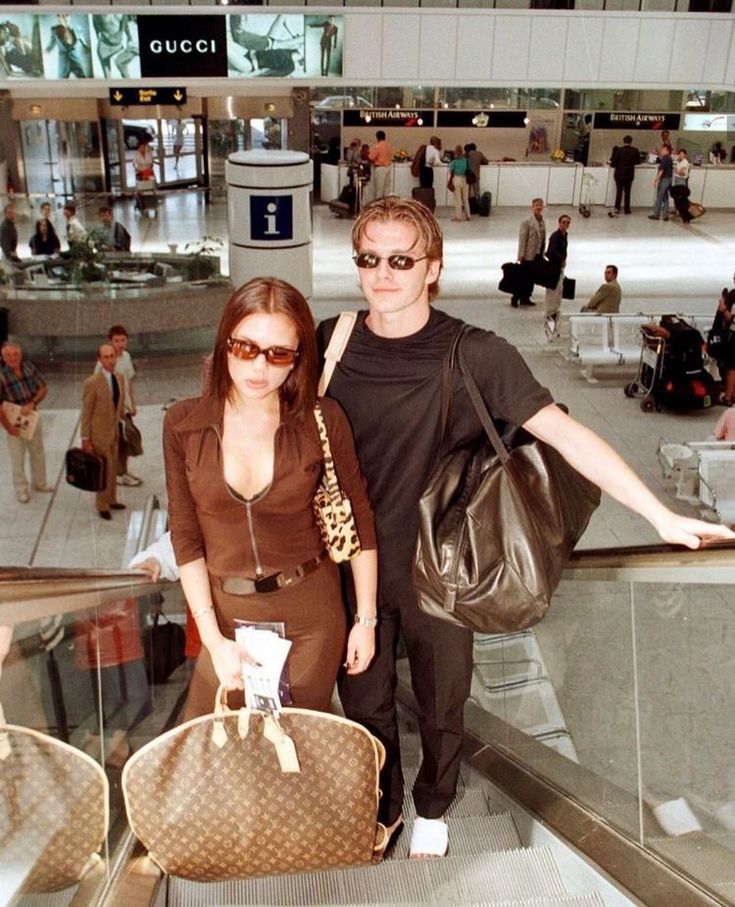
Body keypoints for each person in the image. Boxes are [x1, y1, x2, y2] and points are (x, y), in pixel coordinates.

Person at [316, 195, 734, 860]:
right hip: (352, 575)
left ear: (433, 267)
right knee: (363, 703)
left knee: (441, 703)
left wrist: (657, 512)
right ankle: (384, 803)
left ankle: (433, 804)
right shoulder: (331, 341)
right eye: (369, 258)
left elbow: (566, 434)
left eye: (401, 258)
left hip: (443, 569)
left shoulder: (473, 352)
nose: (382, 273)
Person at [163, 277, 378, 721]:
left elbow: (358, 523)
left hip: (310, 619)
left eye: (278, 353)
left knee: (290, 759)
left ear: (298, 360)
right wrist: (212, 638)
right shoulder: (184, 424)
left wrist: (366, 620)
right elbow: (185, 536)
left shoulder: (321, 421)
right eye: (245, 347)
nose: (259, 367)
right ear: (225, 342)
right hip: (225, 618)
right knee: (214, 753)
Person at [0, 341, 53, 504]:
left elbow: (43, 388)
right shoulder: (1, 376)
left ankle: (40, 483)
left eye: (15, 354)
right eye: (8, 355)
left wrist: (32, 403)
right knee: (17, 456)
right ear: (3, 357)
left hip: (32, 416)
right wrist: (8, 428)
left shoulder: (29, 367)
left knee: (38, 451)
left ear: (20, 354)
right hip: (13, 421)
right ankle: (21, 489)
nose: (13, 358)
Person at [81, 342, 126, 520]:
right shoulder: (92, 383)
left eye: (112, 356)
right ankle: (102, 505)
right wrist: (85, 438)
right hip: (98, 434)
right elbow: (86, 413)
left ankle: (112, 498)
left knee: (113, 468)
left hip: (114, 432)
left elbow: (117, 403)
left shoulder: (120, 377)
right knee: (103, 470)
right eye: (105, 357)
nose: (110, 360)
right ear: (99, 360)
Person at [95, 324, 141, 487]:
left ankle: (123, 471)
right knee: (117, 442)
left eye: (123, 340)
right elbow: (98, 387)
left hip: (125, 408)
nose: (120, 343)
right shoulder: (104, 361)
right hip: (112, 410)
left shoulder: (127, 357)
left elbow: (128, 382)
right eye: (116, 340)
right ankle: (117, 474)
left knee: (126, 441)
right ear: (110, 341)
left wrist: (132, 404)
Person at [512, 197, 546, 308]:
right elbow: (523, 239)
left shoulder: (543, 221)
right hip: (528, 255)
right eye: (537, 205)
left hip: (537, 255)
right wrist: (521, 255)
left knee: (531, 278)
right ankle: (515, 297)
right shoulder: (527, 221)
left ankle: (526, 297)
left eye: (541, 205)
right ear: (533, 207)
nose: (539, 207)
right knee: (522, 277)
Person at [544, 214, 571, 338]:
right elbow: (549, 252)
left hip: (559, 269)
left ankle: (554, 321)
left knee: (558, 295)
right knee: (552, 297)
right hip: (553, 270)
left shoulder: (565, 236)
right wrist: (561, 260)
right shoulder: (556, 237)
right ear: (559, 223)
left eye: (567, 223)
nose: (565, 224)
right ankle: (549, 323)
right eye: (563, 222)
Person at [608, 135, 640, 217]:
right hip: (629, 174)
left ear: (623, 141)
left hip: (619, 174)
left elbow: (613, 162)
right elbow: (638, 162)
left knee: (619, 191)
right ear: (631, 141)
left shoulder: (619, 150)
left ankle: (617, 208)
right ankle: (627, 209)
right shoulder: (635, 150)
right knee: (627, 192)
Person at [649, 143, 673, 221]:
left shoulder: (665, 158)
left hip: (664, 180)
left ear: (666, 150)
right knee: (665, 197)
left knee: (659, 197)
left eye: (662, 149)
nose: (661, 150)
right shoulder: (669, 158)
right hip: (668, 179)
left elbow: (661, 170)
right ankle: (665, 215)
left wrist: (656, 179)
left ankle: (656, 214)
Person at [368, 130, 393, 201]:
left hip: (380, 169)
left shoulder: (377, 146)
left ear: (377, 137)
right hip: (388, 168)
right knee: (387, 189)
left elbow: (371, 157)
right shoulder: (389, 145)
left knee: (379, 189)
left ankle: (378, 206)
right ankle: (387, 205)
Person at [448, 145, 470, 222]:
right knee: (465, 198)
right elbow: (468, 169)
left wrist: (449, 182)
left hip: (457, 179)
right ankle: (468, 215)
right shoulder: (465, 160)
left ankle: (458, 217)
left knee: (457, 199)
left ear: (455, 153)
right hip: (465, 179)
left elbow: (451, 172)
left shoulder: (453, 162)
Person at [671, 149, 693, 224]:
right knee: (677, 198)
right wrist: (676, 170)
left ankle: (685, 216)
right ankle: (678, 212)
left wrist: (676, 170)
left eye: (682, 154)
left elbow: (680, 172)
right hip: (677, 180)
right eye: (679, 154)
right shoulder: (678, 161)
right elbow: (675, 170)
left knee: (681, 199)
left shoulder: (685, 162)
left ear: (685, 155)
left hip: (681, 181)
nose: (680, 155)